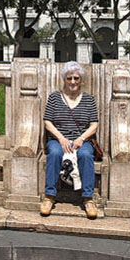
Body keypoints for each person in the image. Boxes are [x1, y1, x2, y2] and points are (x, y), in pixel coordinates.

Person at [41, 61, 99, 219]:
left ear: (81, 80)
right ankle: (49, 196)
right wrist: (61, 139)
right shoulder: (54, 98)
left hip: (82, 140)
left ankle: (88, 199)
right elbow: (47, 122)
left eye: (76, 78)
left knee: (86, 155)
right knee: (54, 153)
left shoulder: (88, 100)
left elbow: (94, 124)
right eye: (69, 78)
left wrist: (81, 139)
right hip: (58, 139)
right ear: (64, 80)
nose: (73, 82)